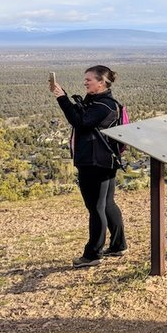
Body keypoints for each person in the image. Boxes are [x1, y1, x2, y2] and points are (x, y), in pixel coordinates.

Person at [50, 65, 128, 268]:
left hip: (95, 163)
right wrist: (65, 95)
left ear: (101, 82)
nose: (85, 82)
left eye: (89, 80)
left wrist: (61, 99)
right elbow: (83, 116)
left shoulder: (104, 106)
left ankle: (93, 254)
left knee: (96, 208)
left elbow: (80, 122)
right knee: (107, 204)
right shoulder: (100, 102)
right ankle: (118, 245)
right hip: (103, 161)